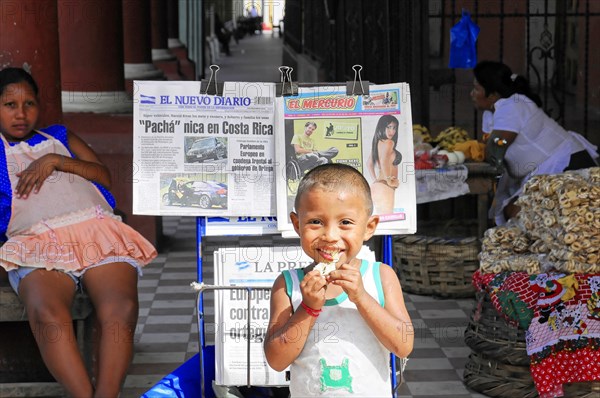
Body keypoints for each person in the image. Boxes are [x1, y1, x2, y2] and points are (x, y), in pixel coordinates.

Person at [0, 67, 157, 397]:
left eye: (29, 104)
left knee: (121, 309)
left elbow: (103, 176)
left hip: (97, 231)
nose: (21, 113)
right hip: (37, 243)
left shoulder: (59, 137)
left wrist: (56, 161)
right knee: (47, 314)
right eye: (9, 104)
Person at [264, 163, 413, 397]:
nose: (330, 236)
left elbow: (403, 345)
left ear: (368, 227)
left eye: (345, 223)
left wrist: (362, 297)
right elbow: (276, 360)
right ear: (297, 224)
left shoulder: (381, 276)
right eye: (316, 222)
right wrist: (308, 309)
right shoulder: (288, 284)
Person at [471, 61, 599, 225]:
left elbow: (496, 148)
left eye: (476, 89)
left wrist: (485, 149)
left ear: (492, 94)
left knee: (523, 216)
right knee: (512, 212)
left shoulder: (512, 106)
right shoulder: (491, 113)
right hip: (543, 173)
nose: (472, 94)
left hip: (566, 167)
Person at [366, 115, 403, 215]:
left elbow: (369, 164)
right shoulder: (389, 143)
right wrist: (388, 180)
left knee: (380, 222)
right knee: (387, 221)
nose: (392, 131)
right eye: (389, 127)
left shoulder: (378, 143)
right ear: (382, 127)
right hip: (385, 186)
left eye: (394, 128)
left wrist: (376, 180)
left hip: (377, 186)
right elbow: (383, 161)